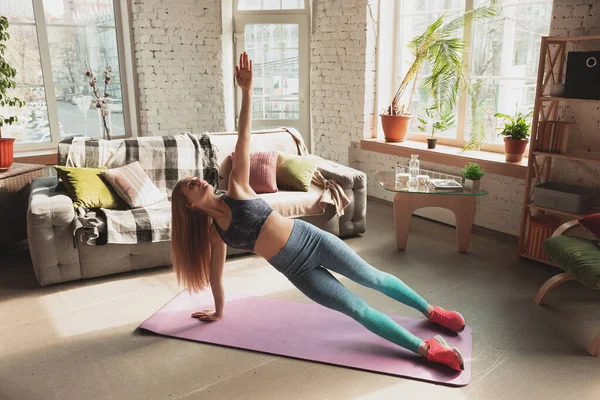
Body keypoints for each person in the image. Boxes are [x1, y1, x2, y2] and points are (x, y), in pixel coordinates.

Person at [170, 53, 466, 372]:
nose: (196, 179)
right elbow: (217, 275)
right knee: (357, 309)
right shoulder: (217, 234)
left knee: (373, 278)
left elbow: (244, 137)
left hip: (312, 241)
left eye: (193, 177)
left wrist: (247, 91)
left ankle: (431, 312)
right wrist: (217, 311)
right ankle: (426, 349)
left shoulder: (236, 188)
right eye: (189, 184)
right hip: (298, 272)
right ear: (189, 205)